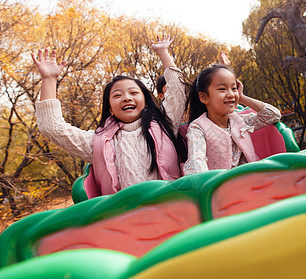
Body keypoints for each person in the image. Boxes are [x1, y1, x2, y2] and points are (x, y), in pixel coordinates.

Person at [32, 35, 188, 198]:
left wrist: (163, 52)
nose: (127, 98)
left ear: (146, 101)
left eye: (134, 92)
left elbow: (177, 91)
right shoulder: (97, 143)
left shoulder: (165, 123)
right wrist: (49, 79)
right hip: (125, 217)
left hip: (171, 207)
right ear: (111, 109)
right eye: (117, 95)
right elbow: (51, 126)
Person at [183, 64, 281, 175]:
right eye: (222, 89)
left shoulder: (239, 120)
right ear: (204, 97)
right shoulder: (198, 128)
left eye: (234, 88)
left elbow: (273, 115)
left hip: (253, 178)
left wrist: (242, 97)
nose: (231, 94)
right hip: (222, 185)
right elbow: (196, 163)